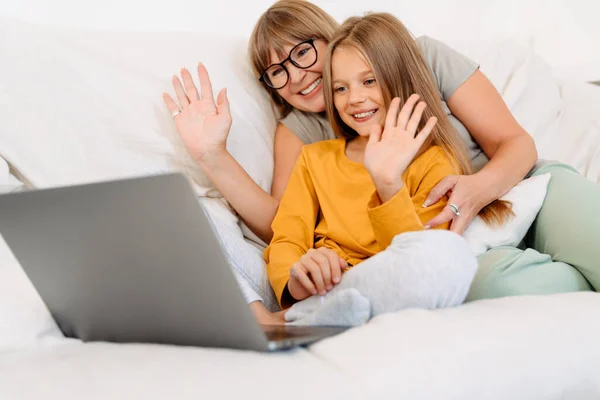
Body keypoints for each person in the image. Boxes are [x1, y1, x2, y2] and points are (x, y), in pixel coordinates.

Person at [163, 0, 597, 323]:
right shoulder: (303, 134)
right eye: (277, 71)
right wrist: (212, 156)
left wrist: (476, 190)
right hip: (457, 241)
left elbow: (517, 143)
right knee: (495, 287)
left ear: (328, 38)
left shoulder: (418, 58)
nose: (296, 76)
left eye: (303, 53)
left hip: (518, 189)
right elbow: (286, 222)